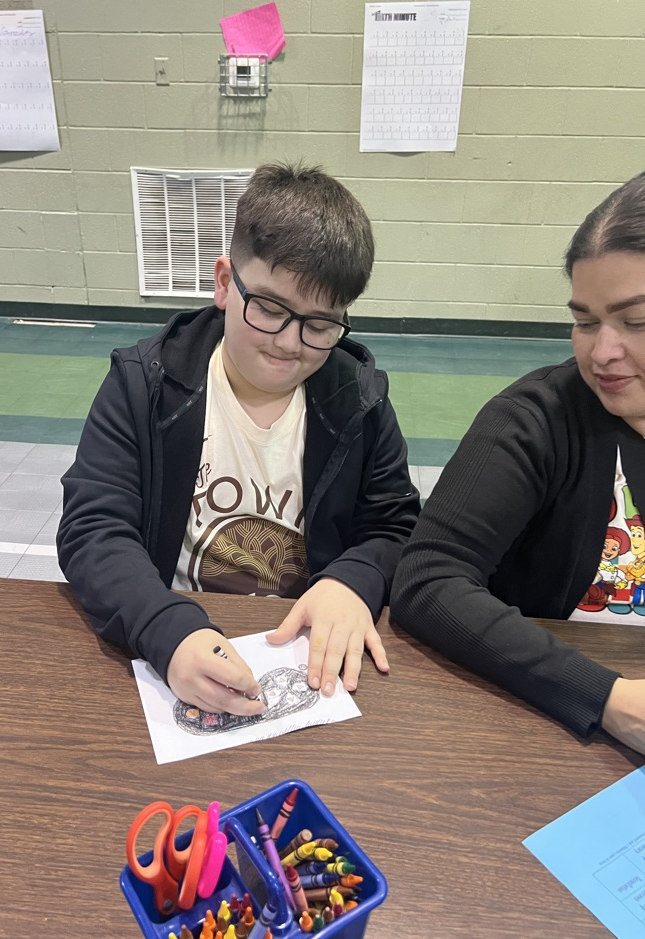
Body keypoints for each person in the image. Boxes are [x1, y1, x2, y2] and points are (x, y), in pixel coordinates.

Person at [58, 162, 419, 716]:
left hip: (307, 657)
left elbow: (395, 525)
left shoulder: (360, 400)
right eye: (270, 308)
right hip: (174, 639)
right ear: (225, 283)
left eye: (319, 325)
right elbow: (93, 529)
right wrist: (164, 627)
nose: (288, 343)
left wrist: (354, 581)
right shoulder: (144, 384)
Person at [390, 172, 645, 757]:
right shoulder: (533, 420)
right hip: (552, 731)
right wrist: (605, 696)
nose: (601, 352)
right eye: (585, 321)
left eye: (635, 322)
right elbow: (427, 577)